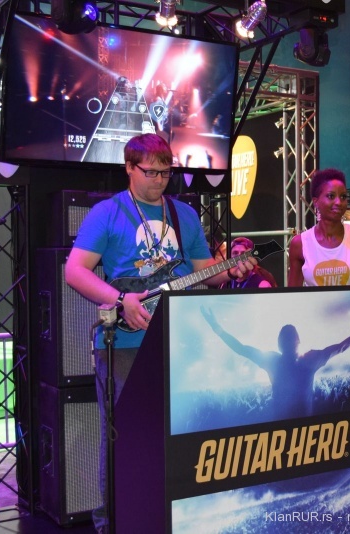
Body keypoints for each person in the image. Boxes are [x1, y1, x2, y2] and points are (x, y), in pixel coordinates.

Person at [64, 133, 254, 532]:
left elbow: (206, 273)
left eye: (165, 173)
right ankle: (115, 523)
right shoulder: (107, 212)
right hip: (126, 344)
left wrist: (231, 270)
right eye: (150, 172)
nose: (159, 180)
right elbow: (75, 271)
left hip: (182, 339)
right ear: (129, 168)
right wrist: (120, 300)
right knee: (123, 437)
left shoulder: (183, 214)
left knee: (183, 430)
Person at [200, 307, 350, 418]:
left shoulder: (273, 361)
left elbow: (240, 348)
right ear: (299, 341)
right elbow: (342, 347)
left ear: (279, 344)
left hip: (281, 427)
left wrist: (216, 327)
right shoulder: (310, 359)